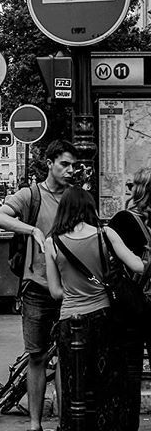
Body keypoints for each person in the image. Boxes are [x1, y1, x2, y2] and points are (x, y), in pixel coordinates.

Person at [0, 139, 77, 431]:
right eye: (64, 164)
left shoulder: (74, 197)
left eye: (73, 165)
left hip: (69, 289)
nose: (70, 170)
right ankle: (35, 424)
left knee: (67, 355)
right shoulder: (31, 195)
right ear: (50, 163)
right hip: (36, 288)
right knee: (37, 356)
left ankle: (66, 423)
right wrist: (33, 231)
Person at [44, 187, 143, 431]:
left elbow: (55, 291)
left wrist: (75, 291)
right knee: (107, 384)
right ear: (90, 207)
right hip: (104, 318)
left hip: (70, 321)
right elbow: (138, 266)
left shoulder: (52, 241)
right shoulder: (105, 234)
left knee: (74, 384)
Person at [109, 167, 151, 427]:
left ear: (138, 188)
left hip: (132, 306)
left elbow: (107, 261)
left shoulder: (123, 220)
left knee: (130, 371)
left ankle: (129, 424)